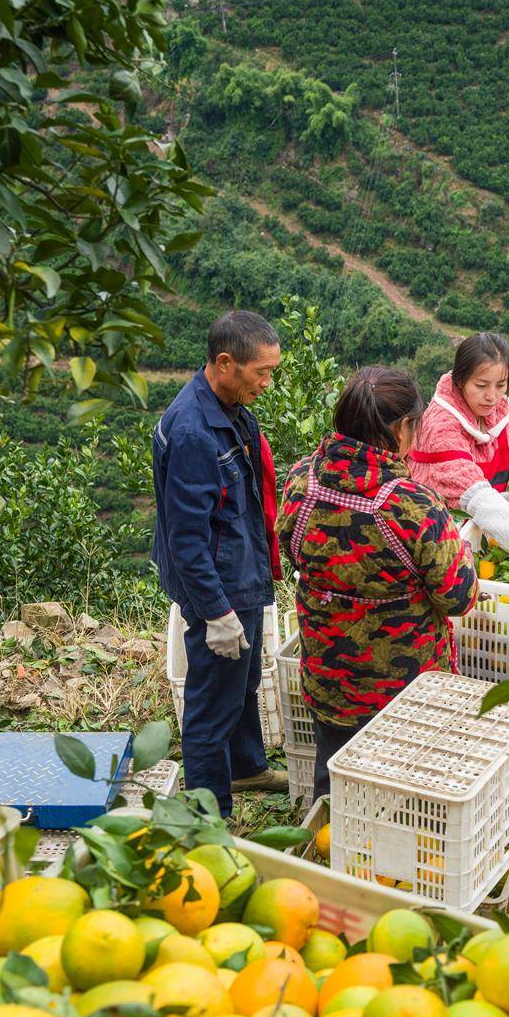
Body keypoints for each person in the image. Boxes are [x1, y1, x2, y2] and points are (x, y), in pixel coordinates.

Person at [278, 365, 478, 800]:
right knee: (408, 800)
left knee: (334, 793)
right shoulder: (412, 505)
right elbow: (459, 597)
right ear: (403, 428)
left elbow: (291, 550)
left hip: (330, 678)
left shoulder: (301, 481)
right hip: (405, 692)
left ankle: (324, 854)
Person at [152, 310, 288, 817]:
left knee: (244, 680)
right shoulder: (193, 432)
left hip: (241, 573)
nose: (267, 383)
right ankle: (210, 813)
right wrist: (215, 612)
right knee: (212, 702)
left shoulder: (228, 409)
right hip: (222, 588)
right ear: (226, 363)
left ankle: (248, 765)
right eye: (262, 372)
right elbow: (187, 538)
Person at [408, 331, 509, 562]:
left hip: (486, 535)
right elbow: (475, 495)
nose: (492, 396)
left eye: (501, 385)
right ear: (460, 380)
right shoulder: (440, 425)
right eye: (481, 385)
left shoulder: (502, 411)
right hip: (440, 543)